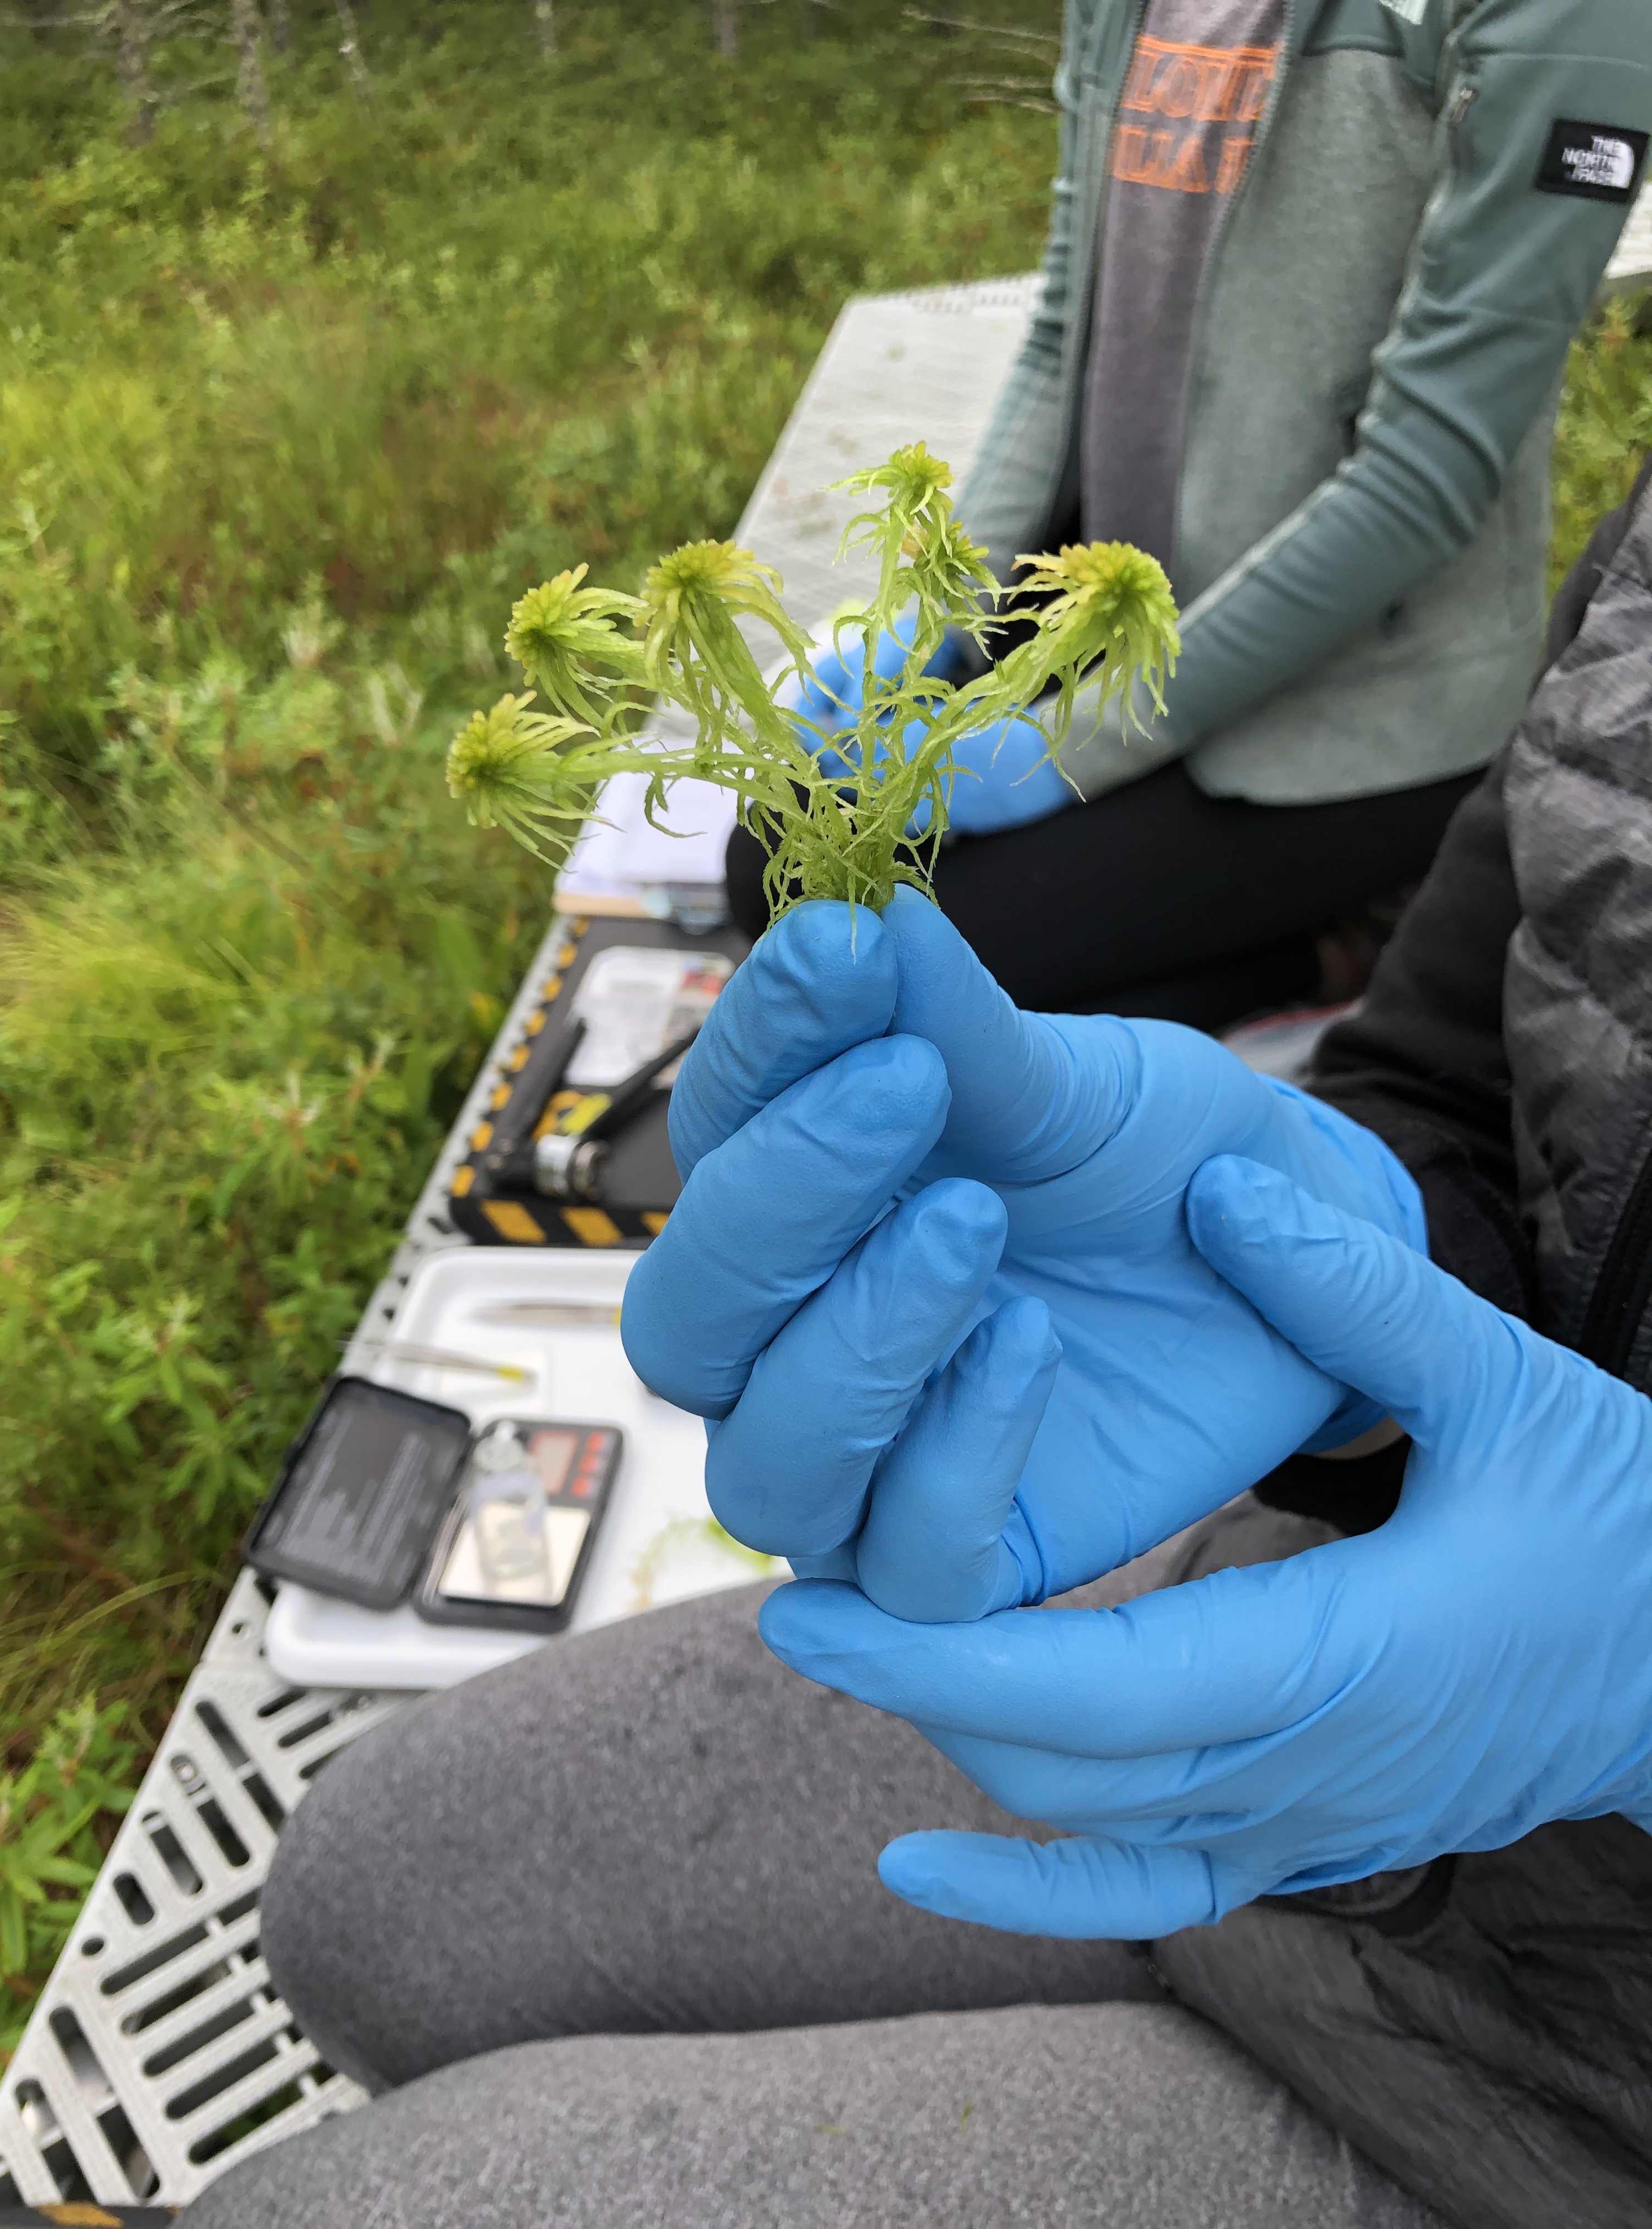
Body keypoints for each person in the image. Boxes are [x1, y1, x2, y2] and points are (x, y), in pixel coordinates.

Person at [180, 466, 1652, 2227]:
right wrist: (1339, 1306)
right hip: (1385, 1630)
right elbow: (1445, 1075)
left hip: (1575, 2103)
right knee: (375, 1887)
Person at [727, 0, 1652, 1029]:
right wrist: (945, 610)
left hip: (1349, 689)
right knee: (775, 858)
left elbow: (1425, 475)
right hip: (1120, 608)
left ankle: (1339, 948)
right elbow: (1062, 338)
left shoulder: (1570, 16)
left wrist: (1061, 750)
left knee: (918, 976)